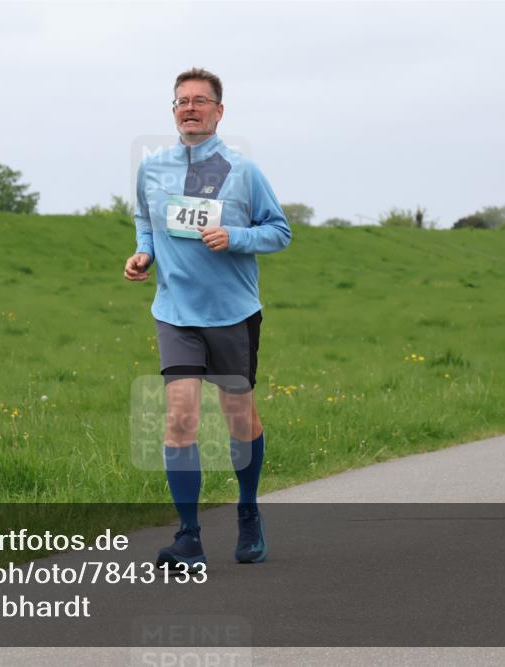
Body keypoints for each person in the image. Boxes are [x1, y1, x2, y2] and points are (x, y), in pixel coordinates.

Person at [123, 68, 291, 570]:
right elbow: (145, 219)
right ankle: (189, 537)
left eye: (200, 100)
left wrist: (237, 237)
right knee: (179, 418)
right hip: (175, 312)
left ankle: (248, 511)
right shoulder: (152, 169)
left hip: (231, 313)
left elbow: (279, 231)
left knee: (240, 418)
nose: (190, 108)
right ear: (174, 111)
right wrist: (144, 253)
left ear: (219, 111)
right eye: (182, 101)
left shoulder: (243, 171)